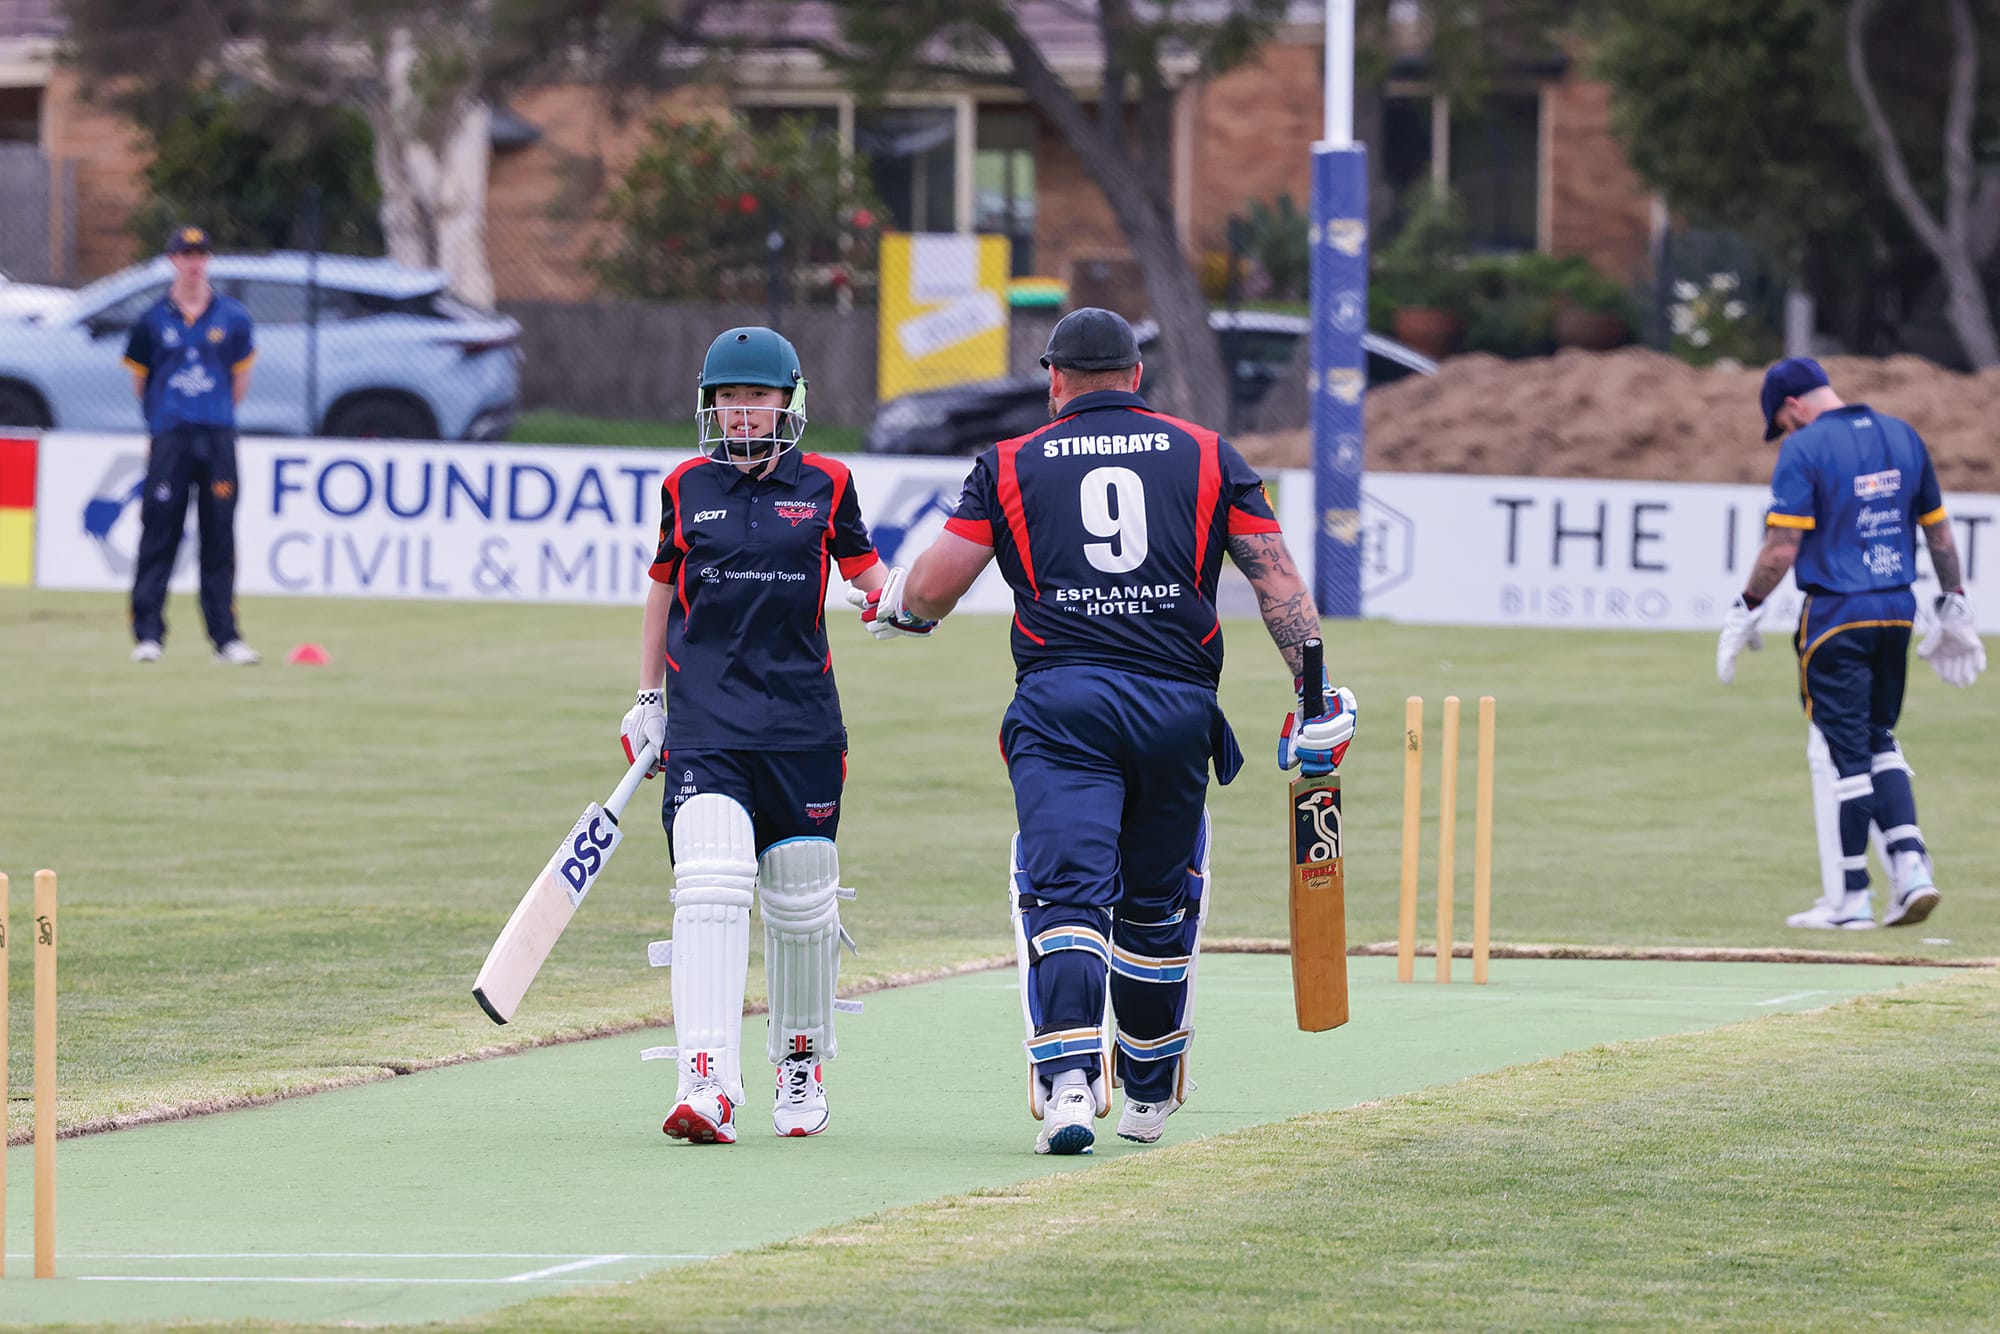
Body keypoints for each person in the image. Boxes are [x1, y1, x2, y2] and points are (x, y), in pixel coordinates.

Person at [855, 307, 1356, 1155]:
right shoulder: (1206, 452)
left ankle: (1069, 1087)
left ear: (1053, 380)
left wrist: (896, 605)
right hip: (1176, 708)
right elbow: (1277, 584)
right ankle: (1150, 1088)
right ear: (1136, 377)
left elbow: (934, 589)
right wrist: (1314, 696)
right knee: (1156, 907)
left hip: (1064, 707)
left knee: (1066, 895)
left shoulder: (1009, 462)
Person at [620, 326, 889, 1145]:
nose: (740, 413)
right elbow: (662, 593)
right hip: (707, 726)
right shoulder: (684, 486)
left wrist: (904, 602)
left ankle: (798, 1064)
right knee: (707, 882)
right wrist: (648, 697)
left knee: (803, 902)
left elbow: (869, 577)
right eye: (727, 399)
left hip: (803, 726)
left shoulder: (829, 483)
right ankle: (704, 1080)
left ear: (788, 403)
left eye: (756, 398)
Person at [1717, 356, 1983, 930]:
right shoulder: (1902, 435)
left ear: (1793, 407)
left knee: (1845, 756)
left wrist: (1746, 607)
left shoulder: (1804, 448)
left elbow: (1782, 548)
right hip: (1896, 610)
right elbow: (1937, 530)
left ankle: (1851, 900)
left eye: (1783, 423)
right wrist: (1954, 598)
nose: (1786, 433)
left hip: (1836, 615)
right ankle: (1911, 869)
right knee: (1877, 736)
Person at [124, 225, 260, 665]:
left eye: (201, 254)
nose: (194, 262)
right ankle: (148, 635)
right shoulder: (151, 319)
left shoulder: (233, 317)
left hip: (217, 436)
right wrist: (166, 419)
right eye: (186, 254)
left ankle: (226, 638)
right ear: (173, 260)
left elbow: (239, 381)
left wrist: (211, 410)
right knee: (159, 532)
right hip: (171, 438)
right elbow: (140, 382)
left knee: (219, 536)